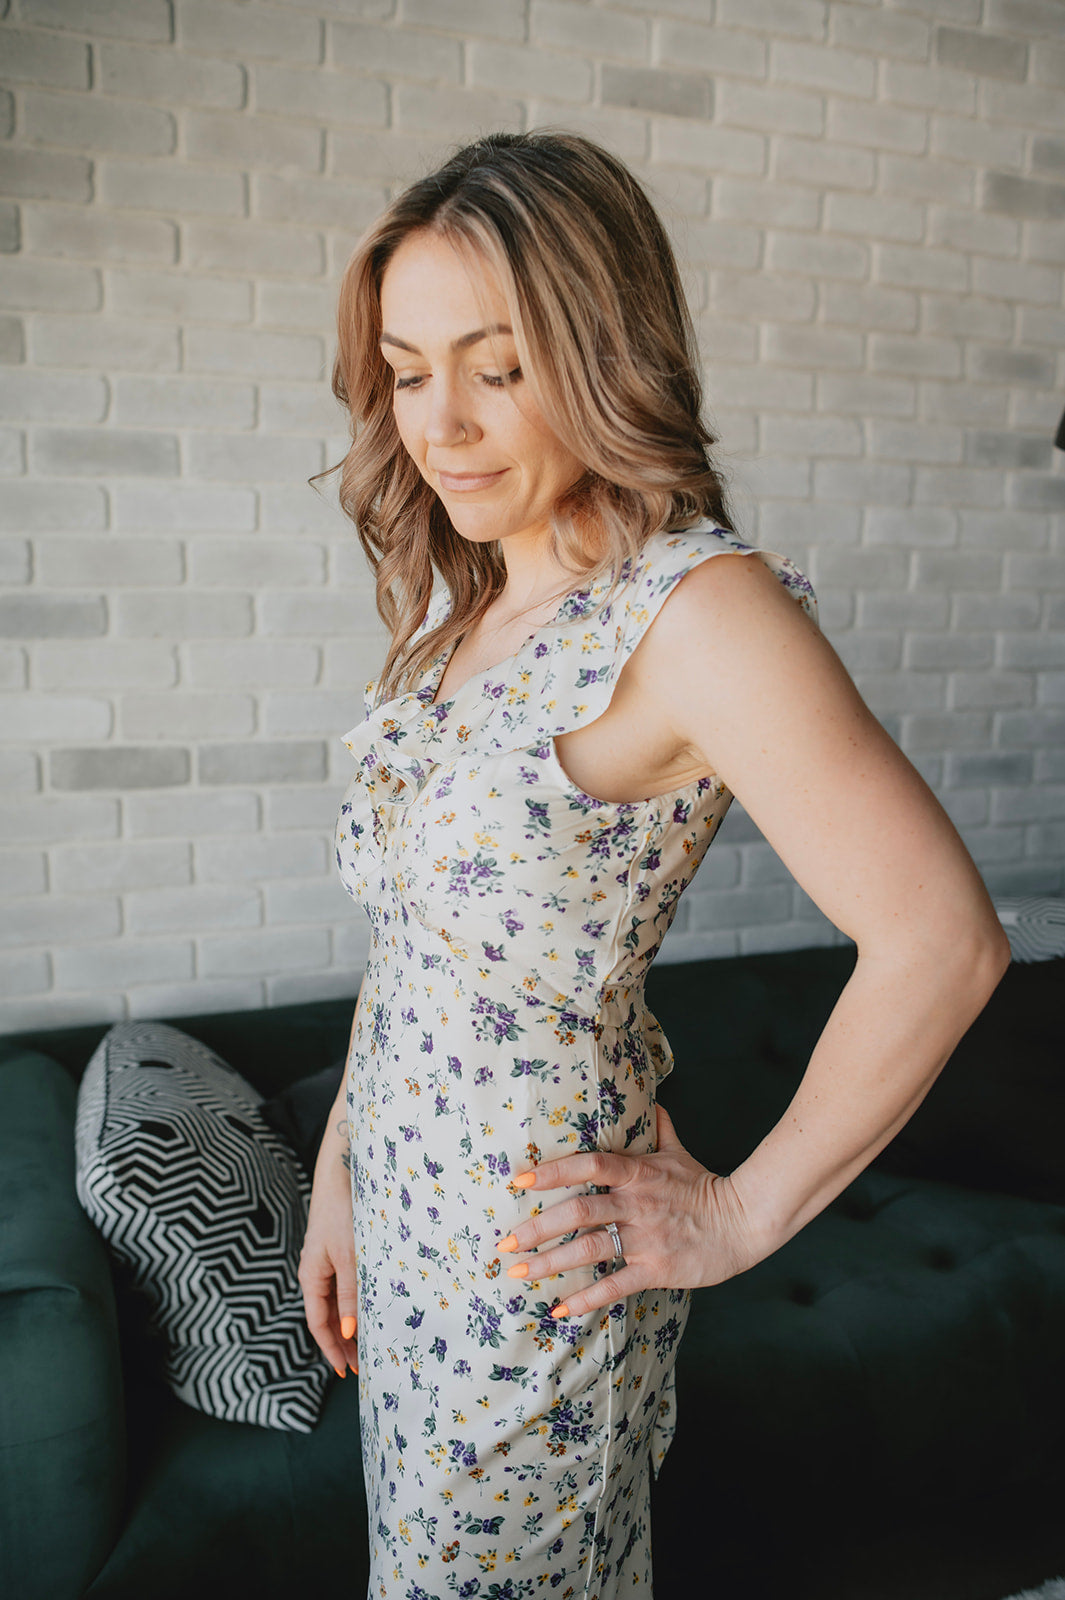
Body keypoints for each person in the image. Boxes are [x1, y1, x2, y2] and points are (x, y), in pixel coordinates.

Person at [298, 130, 1010, 1599]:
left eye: (498, 367)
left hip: (535, 1268)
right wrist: (339, 1172)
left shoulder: (696, 613)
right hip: (406, 1229)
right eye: (408, 371)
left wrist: (744, 1213)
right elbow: (419, 941)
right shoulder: (463, 601)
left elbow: (942, 940)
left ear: (599, 353)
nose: (441, 424)